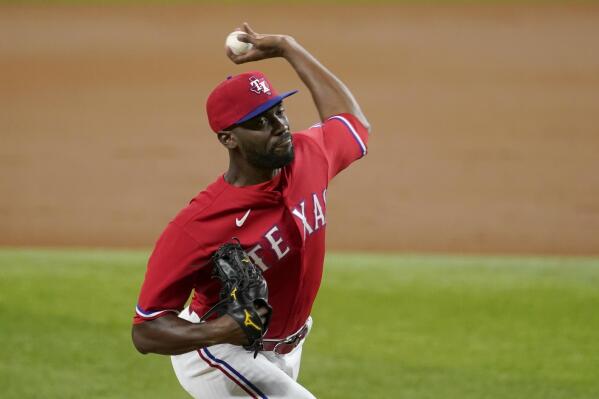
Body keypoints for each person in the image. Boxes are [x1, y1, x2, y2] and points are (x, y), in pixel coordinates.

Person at [131, 23, 370, 399]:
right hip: (219, 353)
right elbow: (145, 330)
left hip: (286, 348)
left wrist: (289, 48)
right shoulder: (199, 224)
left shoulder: (309, 155)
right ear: (229, 139)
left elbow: (352, 123)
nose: (279, 127)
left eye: (278, 112)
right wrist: (218, 331)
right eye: (260, 122)